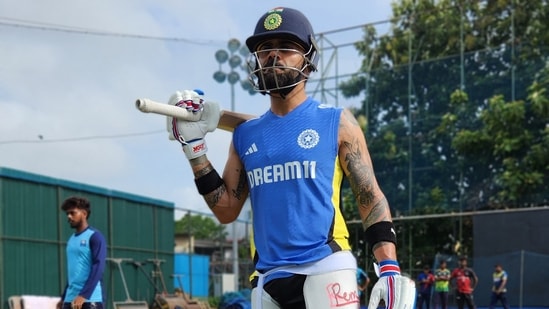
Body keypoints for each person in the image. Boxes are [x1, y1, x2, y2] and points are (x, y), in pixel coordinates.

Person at [168, 6, 415, 309]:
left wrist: (388, 266)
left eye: (286, 47)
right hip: (268, 277)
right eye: (264, 49)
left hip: (326, 267)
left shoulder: (338, 122)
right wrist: (195, 150)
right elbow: (226, 210)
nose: (273, 55)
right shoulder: (245, 134)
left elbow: (370, 197)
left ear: (309, 60)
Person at [57, 196, 107, 309]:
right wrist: (64, 297)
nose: (69, 216)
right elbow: (73, 273)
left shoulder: (95, 236)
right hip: (70, 300)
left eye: (72, 213)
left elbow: (98, 267)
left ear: (84, 214)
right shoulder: (71, 240)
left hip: (90, 300)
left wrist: (84, 295)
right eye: (67, 214)